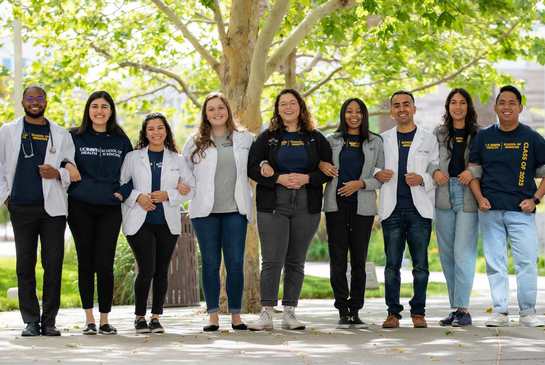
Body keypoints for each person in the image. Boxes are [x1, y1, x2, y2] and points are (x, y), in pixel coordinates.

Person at [247, 88, 332, 331]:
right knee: (272, 259)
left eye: (292, 103)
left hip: (307, 204)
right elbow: (252, 167)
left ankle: (290, 313)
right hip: (273, 205)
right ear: (277, 109)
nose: (287, 107)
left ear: (300, 107)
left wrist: (307, 178)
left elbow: (327, 170)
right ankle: (266, 313)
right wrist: (277, 179)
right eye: (282, 103)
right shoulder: (268, 138)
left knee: (296, 260)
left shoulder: (315, 138)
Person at [0, 85, 75, 336]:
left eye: (39, 98)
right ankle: (31, 321)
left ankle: (49, 320)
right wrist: (7, 198)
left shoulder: (61, 133)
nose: (35, 102)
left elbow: (71, 168)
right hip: (21, 207)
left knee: (52, 264)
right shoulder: (8, 131)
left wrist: (58, 173)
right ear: (23, 102)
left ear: (46, 101)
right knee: (25, 265)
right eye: (30, 98)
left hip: (52, 209)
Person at [468, 85, 545, 327]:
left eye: (512, 102)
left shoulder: (531, 138)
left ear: (520, 107)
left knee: (526, 263)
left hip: (521, 212)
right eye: (502, 102)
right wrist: (480, 199)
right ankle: (500, 312)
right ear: (495, 107)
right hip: (490, 212)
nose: (507, 106)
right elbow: (473, 174)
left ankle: (528, 312)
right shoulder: (484, 137)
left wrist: (535, 199)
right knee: (495, 264)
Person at [182, 92, 254, 332]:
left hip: (235, 210)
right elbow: (184, 173)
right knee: (211, 263)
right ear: (205, 114)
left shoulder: (244, 139)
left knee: (234, 263)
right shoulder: (195, 141)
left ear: (228, 110)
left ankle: (235, 315)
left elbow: (258, 163)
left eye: (220, 108)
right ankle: (212, 315)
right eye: (211, 109)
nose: (216, 112)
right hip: (205, 213)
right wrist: (183, 188)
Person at [64, 91, 132, 335]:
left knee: (105, 263)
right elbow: (58, 157)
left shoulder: (120, 139)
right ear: (88, 110)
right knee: (86, 261)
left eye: (104, 106)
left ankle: (104, 319)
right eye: (95, 106)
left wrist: (123, 193)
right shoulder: (73, 136)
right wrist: (67, 164)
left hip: (110, 208)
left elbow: (132, 172)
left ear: (111, 110)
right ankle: (89, 320)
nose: (99, 111)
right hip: (80, 206)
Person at [120, 113, 191, 334]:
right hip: (139, 223)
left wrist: (168, 195)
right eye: (151, 129)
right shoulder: (133, 157)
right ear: (145, 132)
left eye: (160, 128)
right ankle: (139, 317)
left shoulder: (178, 160)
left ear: (166, 131)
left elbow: (189, 187)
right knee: (147, 268)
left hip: (167, 223)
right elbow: (121, 185)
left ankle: (156, 317)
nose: (156, 132)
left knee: (161, 270)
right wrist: (138, 197)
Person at [375, 90, 439, 329]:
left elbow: (435, 169)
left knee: (420, 266)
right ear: (391, 111)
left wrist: (422, 178)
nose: (402, 109)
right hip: (392, 210)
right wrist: (377, 174)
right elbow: (372, 167)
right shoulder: (382, 139)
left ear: (414, 108)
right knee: (392, 265)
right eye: (396, 105)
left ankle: (418, 313)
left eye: (406, 104)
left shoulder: (428, 138)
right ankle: (393, 313)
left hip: (419, 211)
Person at [319, 98, 384, 328]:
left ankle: (355, 309)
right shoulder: (331, 140)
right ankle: (341, 308)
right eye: (349, 111)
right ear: (343, 114)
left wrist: (361, 184)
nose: (354, 115)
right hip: (335, 207)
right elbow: (320, 165)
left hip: (363, 207)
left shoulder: (375, 142)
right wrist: (320, 165)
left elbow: (382, 177)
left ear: (364, 115)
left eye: (358, 111)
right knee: (337, 259)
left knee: (358, 259)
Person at [432, 89, 480, 327]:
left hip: (468, 194)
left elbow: (485, 165)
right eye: (453, 102)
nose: (457, 106)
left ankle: (464, 308)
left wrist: (472, 172)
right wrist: (434, 171)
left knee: (463, 252)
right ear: (448, 106)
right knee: (447, 254)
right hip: (443, 194)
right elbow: (428, 158)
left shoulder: (479, 134)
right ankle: (455, 309)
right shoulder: (439, 133)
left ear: (468, 107)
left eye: (462, 102)